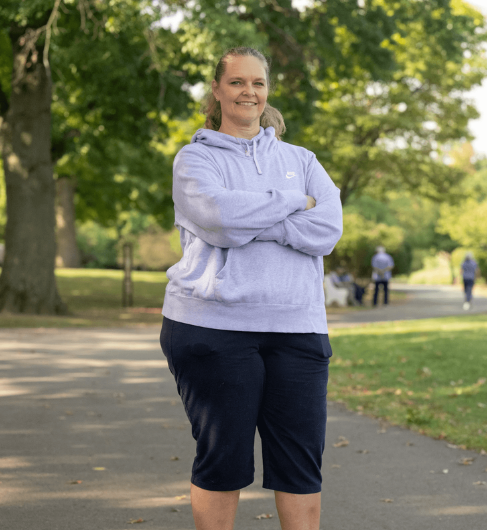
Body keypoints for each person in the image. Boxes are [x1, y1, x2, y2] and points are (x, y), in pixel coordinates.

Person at [159, 47, 343, 530]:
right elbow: (219, 219)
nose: (249, 92)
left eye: (258, 83)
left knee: (300, 465)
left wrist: (257, 220)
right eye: (237, 82)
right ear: (217, 91)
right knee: (224, 462)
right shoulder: (195, 159)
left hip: (297, 327)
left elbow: (326, 230)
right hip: (212, 326)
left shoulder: (302, 159)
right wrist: (290, 205)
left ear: (268, 91)